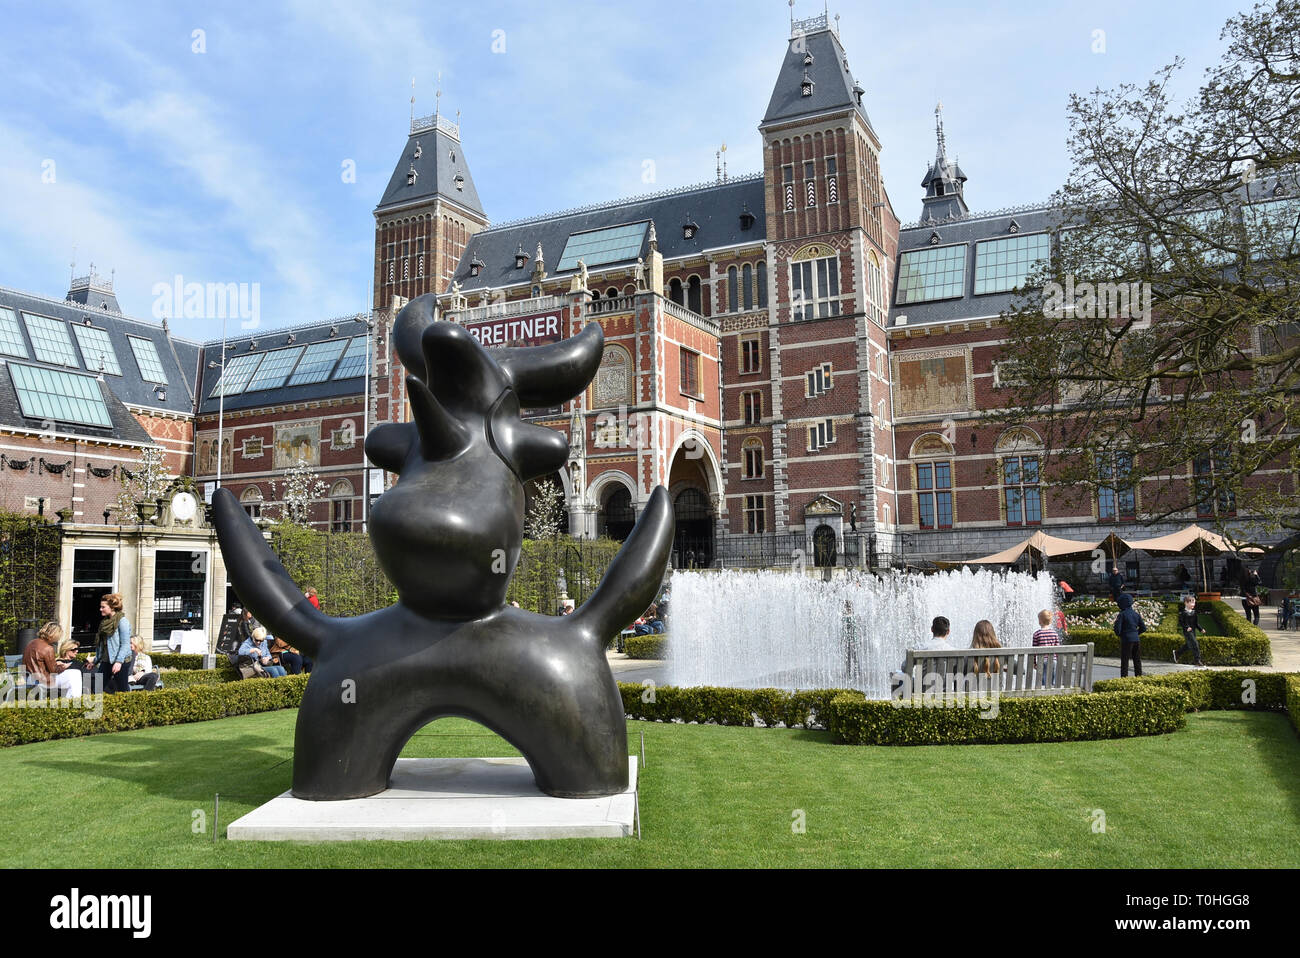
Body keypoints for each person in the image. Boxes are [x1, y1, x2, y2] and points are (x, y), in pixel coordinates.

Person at [21, 621, 78, 699]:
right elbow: (54, 671)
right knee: (75, 673)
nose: (58, 638)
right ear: (54, 635)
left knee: (71, 678)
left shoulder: (31, 642)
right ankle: (73, 701)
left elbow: (38, 662)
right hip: (42, 680)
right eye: (58, 635)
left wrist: (56, 663)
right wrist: (64, 666)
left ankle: (69, 700)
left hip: (29, 678)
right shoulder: (48, 648)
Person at [91, 593, 132, 694]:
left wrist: (119, 662)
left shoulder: (122, 622)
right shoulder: (104, 622)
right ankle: (96, 709)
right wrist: (95, 661)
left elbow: (125, 644)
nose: (100, 609)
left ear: (112, 608)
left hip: (121, 661)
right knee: (96, 689)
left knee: (122, 691)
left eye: (103, 607)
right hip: (106, 660)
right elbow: (102, 645)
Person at [1113, 593, 1146, 677]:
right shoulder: (1136, 614)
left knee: (1125, 661)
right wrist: (1135, 633)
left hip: (1126, 640)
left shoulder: (1122, 614)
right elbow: (1143, 628)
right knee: (1137, 660)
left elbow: (1117, 629)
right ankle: (1139, 677)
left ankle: (1124, 678)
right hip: (1136, 639)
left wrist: (1122, 635)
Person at [1031, 609, 1061, 687]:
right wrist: (1057, 660)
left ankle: (1044, 694)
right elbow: (1057, 649)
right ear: (1050, 621)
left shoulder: (1037, 634)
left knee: (1043, 680)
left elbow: (1034, 651)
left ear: (1040, 621)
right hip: (1053, 660)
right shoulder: (1054, 633)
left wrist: (1034, 662)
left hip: (1042, 660)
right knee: (1052, 679)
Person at [1173, 595, 1206, 667]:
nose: (1193, 605)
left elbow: (1196, 623)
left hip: (1193, 631)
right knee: (1195, 644)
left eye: (1194, 603)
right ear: (1186, 603)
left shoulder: (1194, 612)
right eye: (1191, 603)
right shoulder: (1183, 613)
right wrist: (1186, 627)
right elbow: (1181, 622)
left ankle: (1177, 653)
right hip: (1187, 631)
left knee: (1189, 645)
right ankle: (1197, 660)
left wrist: (1201, 629)